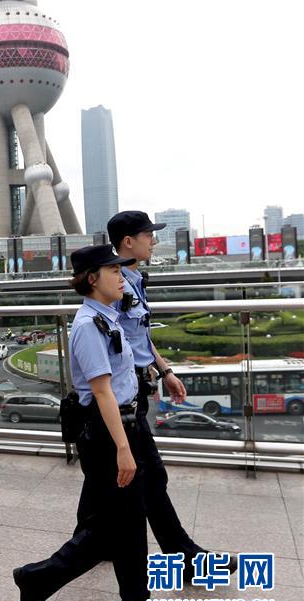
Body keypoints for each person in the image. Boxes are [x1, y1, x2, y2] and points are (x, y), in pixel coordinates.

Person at [12, 245, 180, 601]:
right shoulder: (89, 326)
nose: (122, 277)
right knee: (111, 529)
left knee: (127, 525)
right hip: (108, 433)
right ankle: (37, 578)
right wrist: (123, 447)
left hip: (124, 425)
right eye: (113, 271)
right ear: (92, 278)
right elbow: (102, 392)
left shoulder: (110, 315)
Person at [107, 210, 237, 579]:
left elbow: (139, 336)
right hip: (125, 392)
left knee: (109, 480)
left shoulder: (132, 279)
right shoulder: (115, 285)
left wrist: (165, 370)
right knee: (149, 475)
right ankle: (186, 559)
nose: (154, 241)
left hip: (136, 385)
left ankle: (95, 544)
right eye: (149, 234)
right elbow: (112, 341)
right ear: (128, 241)